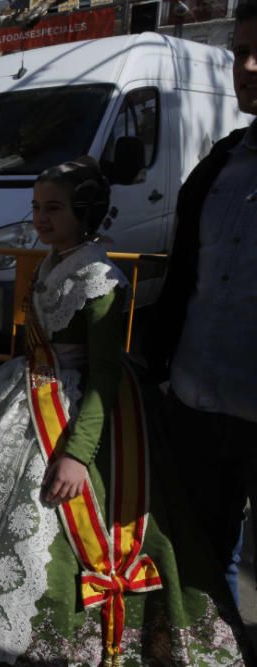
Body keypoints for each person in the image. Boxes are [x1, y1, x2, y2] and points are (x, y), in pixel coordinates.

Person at [0, 158, 248, 665]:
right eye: (36, 207)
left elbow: (105, 374)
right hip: (26, 390)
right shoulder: (54, 260)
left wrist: (76, 453)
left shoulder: (101, 279)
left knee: (61, 520)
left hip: (79, 412)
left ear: (86, 212)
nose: (40, 218)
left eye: (54, 208)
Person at [147, 0, 257, 606]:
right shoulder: (219, 165)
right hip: (194, 408)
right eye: (240, 51)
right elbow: (184, 279)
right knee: (199, 562)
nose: (248, 65)